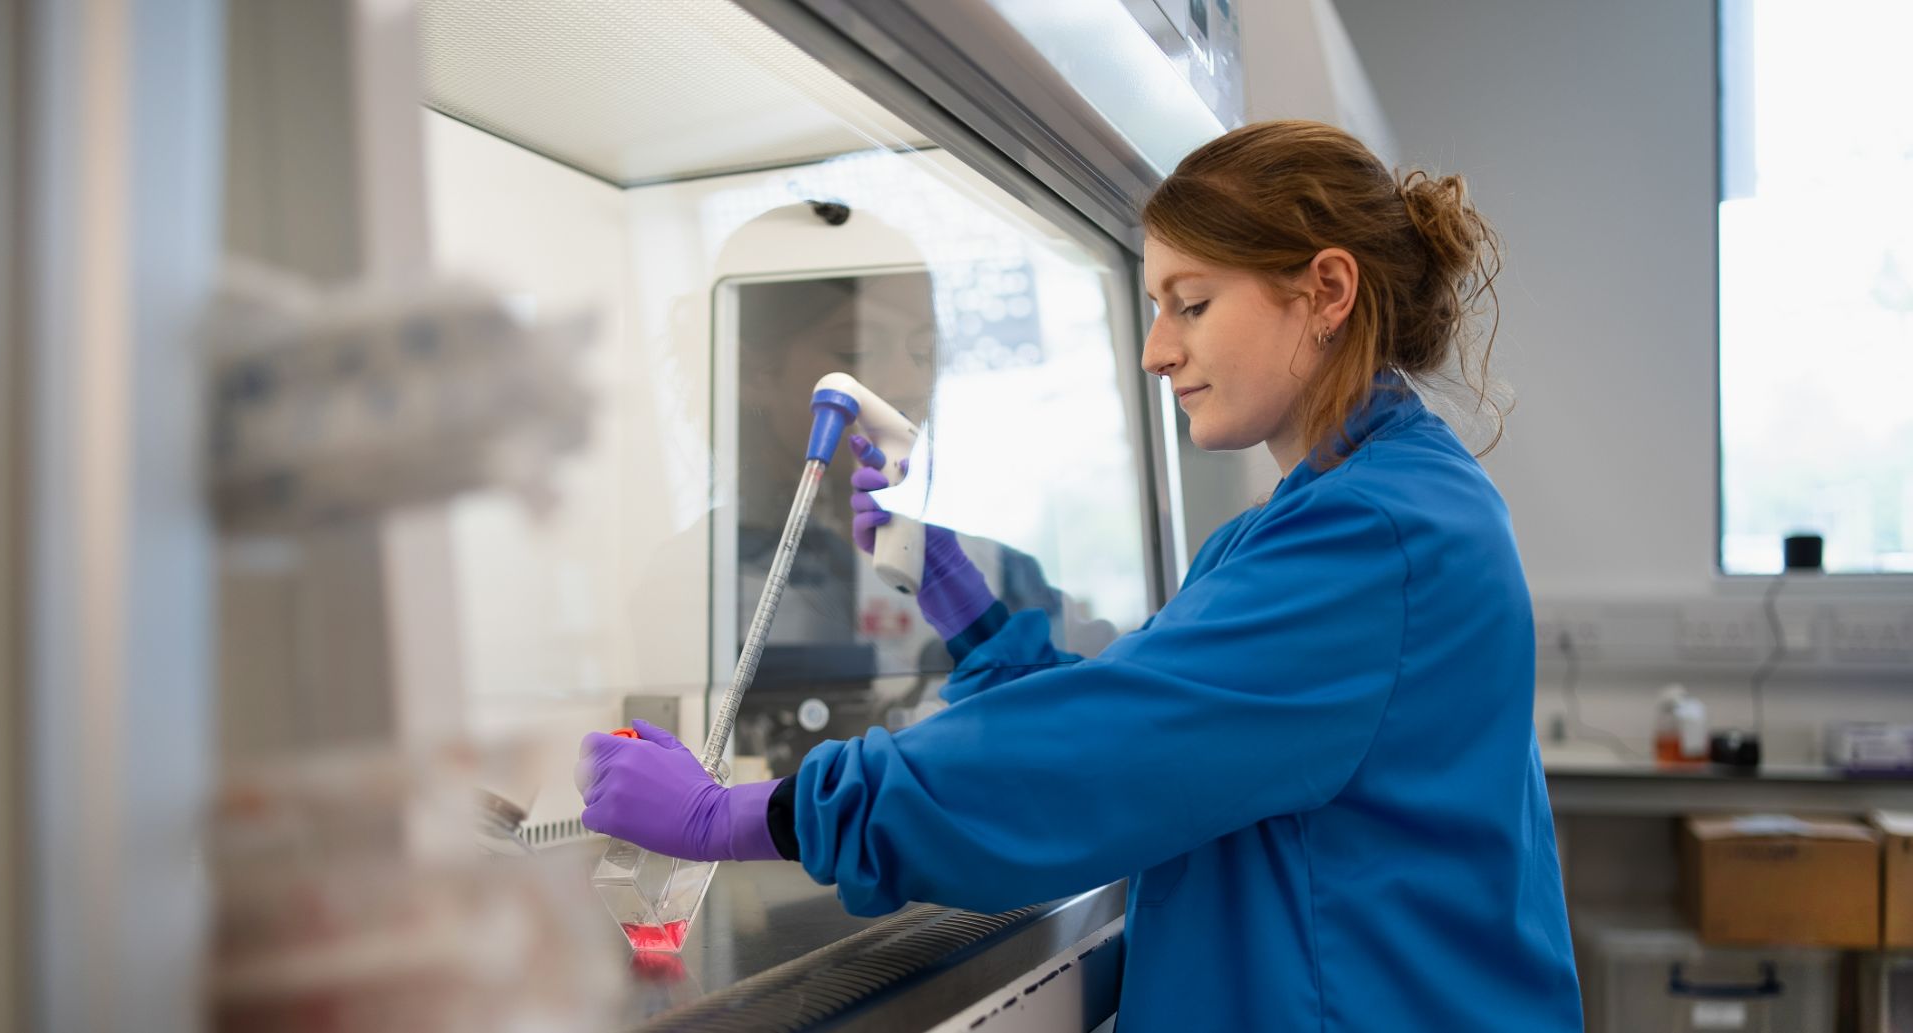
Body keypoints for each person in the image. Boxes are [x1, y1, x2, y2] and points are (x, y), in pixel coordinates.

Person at [578, 120, 1583, 1031]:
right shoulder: (1336, 511)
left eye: (1190, 303)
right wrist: (963, 606)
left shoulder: (1371, 536)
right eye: (1155, 307)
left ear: (1326, 291)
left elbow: (1096, 759)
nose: (1156, 350)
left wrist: (743, 817)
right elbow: (1139, 727)